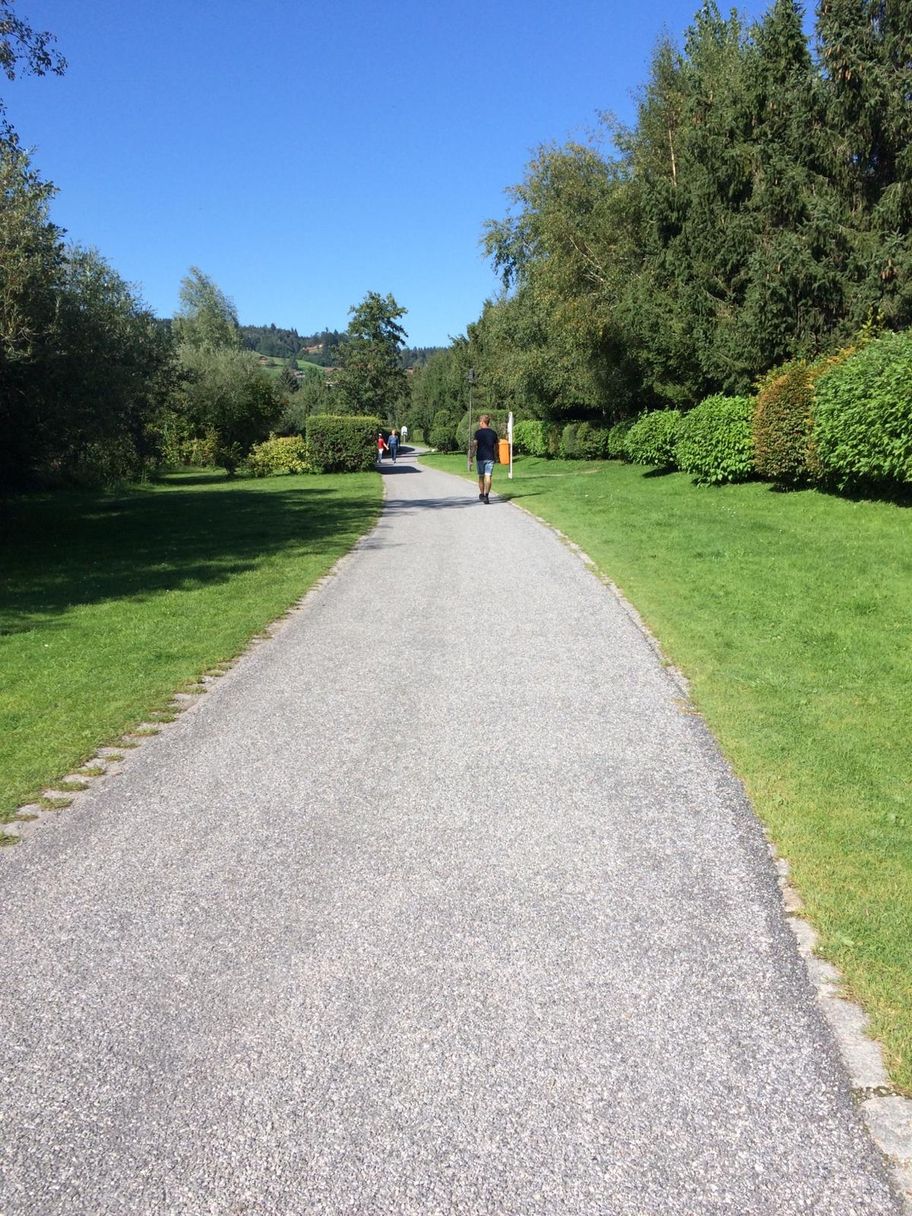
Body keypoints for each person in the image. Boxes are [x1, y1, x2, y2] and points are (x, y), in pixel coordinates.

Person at [470, 414, 497, 503]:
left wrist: (471, 456)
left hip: (480, 458)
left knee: (481, 477)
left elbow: (474, 445)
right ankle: (486, 495)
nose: (479, 424)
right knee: (488, 476)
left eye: (480, 422)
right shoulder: (493, 433)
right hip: (490, 457)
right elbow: (496, 447)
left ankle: (482, 494)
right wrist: (496, 456)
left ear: (482, 422)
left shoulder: (478, 433)